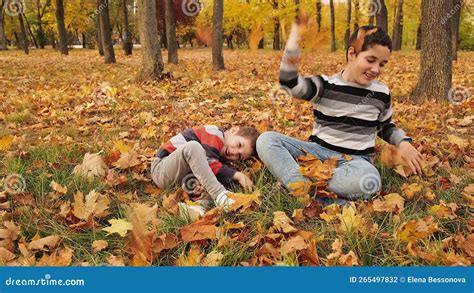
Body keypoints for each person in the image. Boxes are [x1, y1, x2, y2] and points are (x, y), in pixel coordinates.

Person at [256, 15, 422, 206]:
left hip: (355, 162)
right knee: (266, 140)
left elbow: (385, 127)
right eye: (371, 60)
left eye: (382, 64)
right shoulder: (325, 85)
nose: (376, 69)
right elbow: (289, 83)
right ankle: (305, 188)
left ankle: (304, 188)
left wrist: (403, 143)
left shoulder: (381, 93)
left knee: (369, 180)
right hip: (316, 153)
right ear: (352, 54)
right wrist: (294, 39)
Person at [151, 125, 260, 219]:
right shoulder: (215, 133)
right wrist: (237, 175)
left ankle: (197, 207)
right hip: (161, 169)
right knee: (193, 147)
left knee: (216, 179)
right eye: (239, 145)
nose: (234, 152)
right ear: (233, 130)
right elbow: (209, 162)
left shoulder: (221, 155)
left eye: (239, 156)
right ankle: (220, 195)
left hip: (182, 177)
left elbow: (209, 171)